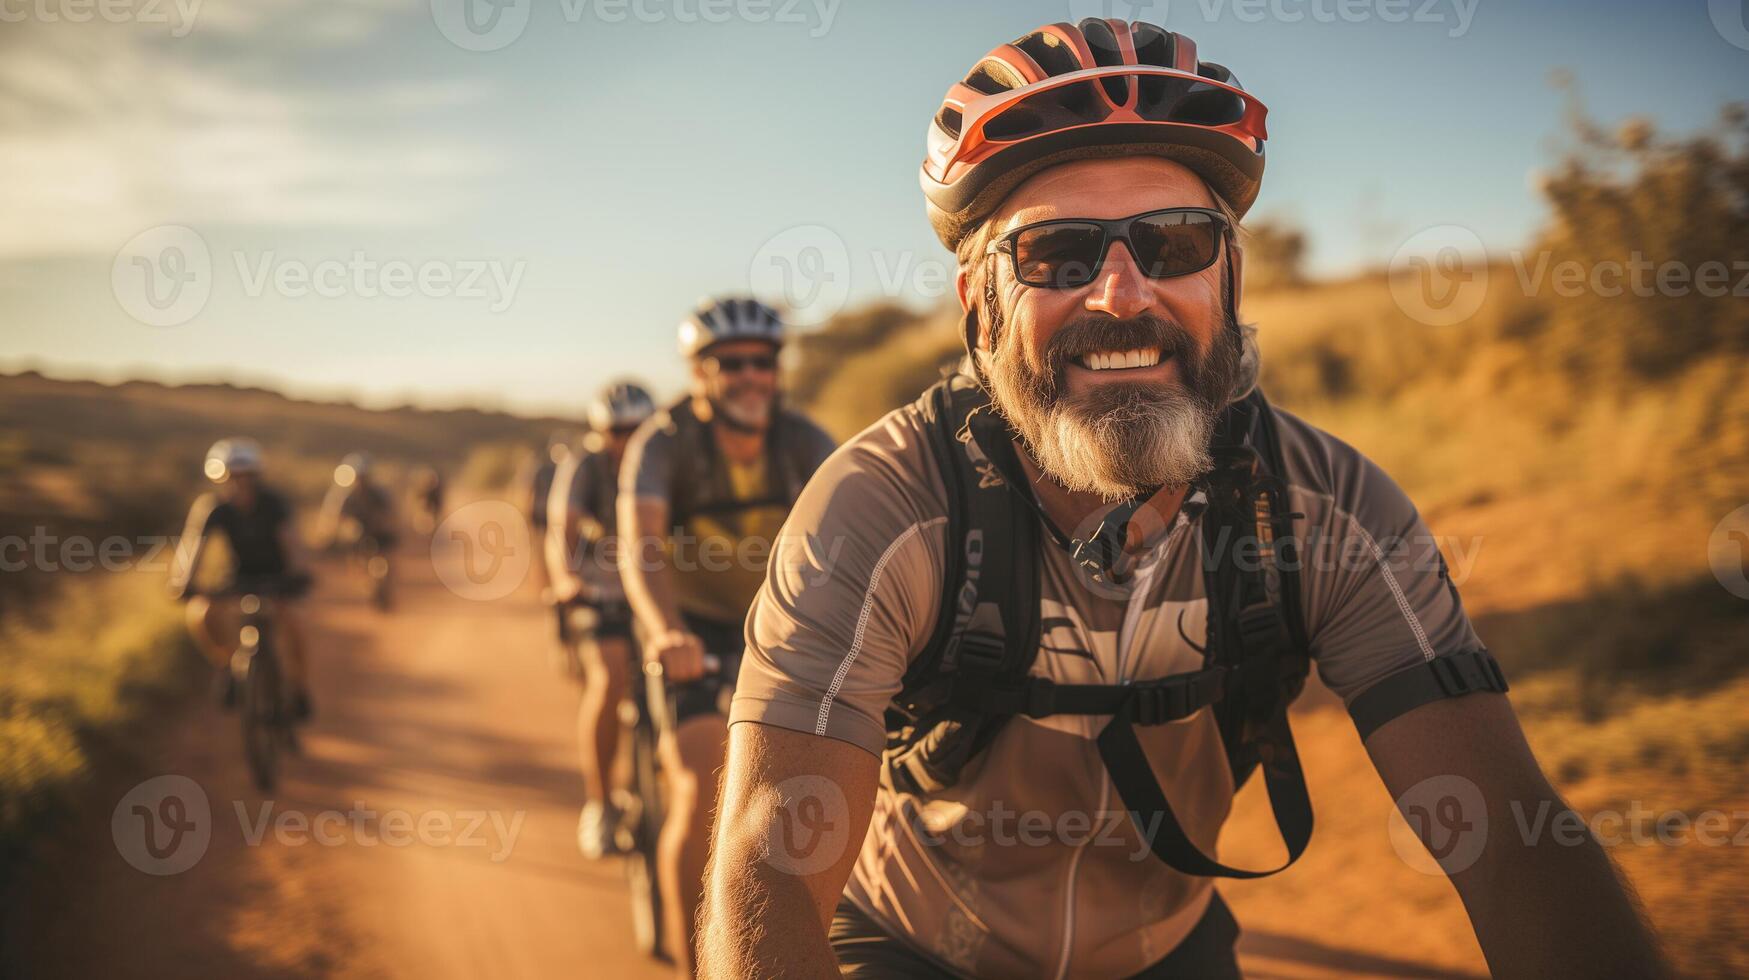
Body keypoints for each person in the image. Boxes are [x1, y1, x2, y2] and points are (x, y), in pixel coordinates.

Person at [699, 20, 1666, 980]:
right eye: (1058, 253)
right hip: (912, 945)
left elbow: (1511, 847)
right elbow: (770, 863)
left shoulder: (1324, 507)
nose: (1122, 294)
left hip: (1168, 952)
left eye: (1174, 242)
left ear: (1231, 274)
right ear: (978, 305)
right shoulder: (883, 507)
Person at [618, 297, 836, 976]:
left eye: (762, 362)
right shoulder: (664, 441)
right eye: (730, 364)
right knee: (700, 781)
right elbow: (641, 546)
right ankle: (695, 965)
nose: (750, 376)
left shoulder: (801, 439)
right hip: (693, 632)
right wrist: (665, 631)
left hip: (778, 626)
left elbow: (854, 536)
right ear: (699, 373)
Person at [546, 379, 658, 859]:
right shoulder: (584, 467)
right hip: (602, 592)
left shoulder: (666, 462)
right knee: (609, 679)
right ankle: (600, 804)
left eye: (638, 428)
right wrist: (568, 580)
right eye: (618, 430)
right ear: (600, 431)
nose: (627, 439)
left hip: (658, 592)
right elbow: (559, 531)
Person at [170, 438, 316, 720]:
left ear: (255, 476)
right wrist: (184, 581)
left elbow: (292, 543)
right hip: (239, 576)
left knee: (294, 623)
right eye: (231, 477)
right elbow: (193, 547)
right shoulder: (213, 508)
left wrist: (299, 574)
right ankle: (229, 666)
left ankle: (299, 689)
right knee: (202, 614)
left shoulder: (274, 503)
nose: (239, 483)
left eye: (245, 476)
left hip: (279, 576)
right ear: (220, 479)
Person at [317, 452, 399, 606]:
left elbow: (391, 516)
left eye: (363, 477)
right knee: (359, 564)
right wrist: (339, 532)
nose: (360, 481)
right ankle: (370, 585)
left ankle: (386, 590)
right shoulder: (343, 496)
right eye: (357, 477)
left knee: (388, 561)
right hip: (358, 537)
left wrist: (383, 524)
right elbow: (333, 518)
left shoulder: (380, 494)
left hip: (381, 533)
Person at [524, 431, 572, 603]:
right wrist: (529, 512)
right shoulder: (543, 469)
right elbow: (531, 492)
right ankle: (544, 583)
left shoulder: (569, 469)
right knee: (543, 549)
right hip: (541, 514)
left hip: (558, 516)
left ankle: (555, 582)